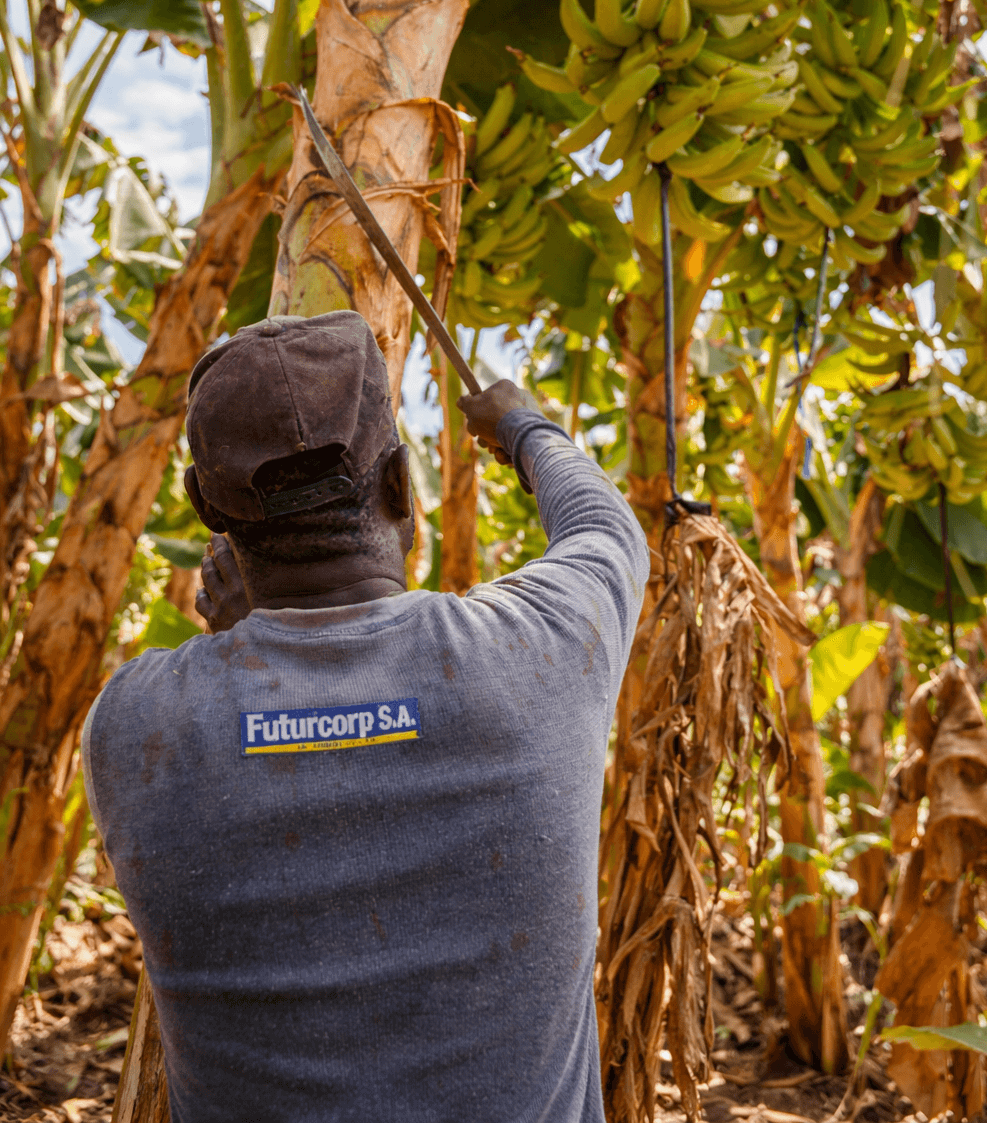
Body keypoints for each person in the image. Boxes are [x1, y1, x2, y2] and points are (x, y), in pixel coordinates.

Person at [82, 310, 648, 1123]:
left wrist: (243, 641)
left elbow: (291, 750)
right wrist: (521, 425)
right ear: (400, 485)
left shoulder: (134, 725)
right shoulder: (539, 652)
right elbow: (606, 529)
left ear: (207, 507)